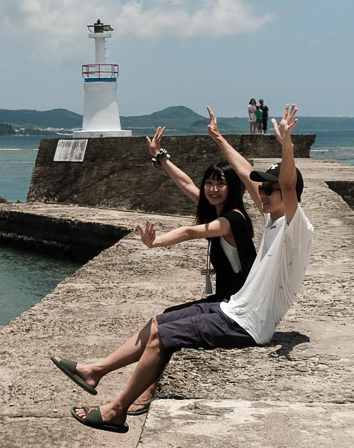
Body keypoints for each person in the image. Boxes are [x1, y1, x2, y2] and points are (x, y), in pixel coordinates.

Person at [50, 104, 313, 434]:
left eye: (269, 189)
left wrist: (287, 146)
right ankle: (95, 371)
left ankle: (116, 410)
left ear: (290, 196)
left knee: (163, 337)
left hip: (248, 323)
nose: (261, 191)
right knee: (159, 322)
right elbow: (246, 173)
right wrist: (218, 139)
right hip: (234, 308)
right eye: (262, 188)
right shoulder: (270, 218)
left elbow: (287, 185)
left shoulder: (296, 227)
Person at [110, 125, 257, 415]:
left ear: (233, 188)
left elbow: (191, 232)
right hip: (226, 300)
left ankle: (141, 390)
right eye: (210, 183)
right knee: (164, 318)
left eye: (221, 183)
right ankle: (147, 386)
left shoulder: (233, 219)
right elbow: (188, 185)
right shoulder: (215, 209)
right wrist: (161, 157)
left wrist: (156, 242)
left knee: (167, 330)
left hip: (238, 307)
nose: (213, 189)